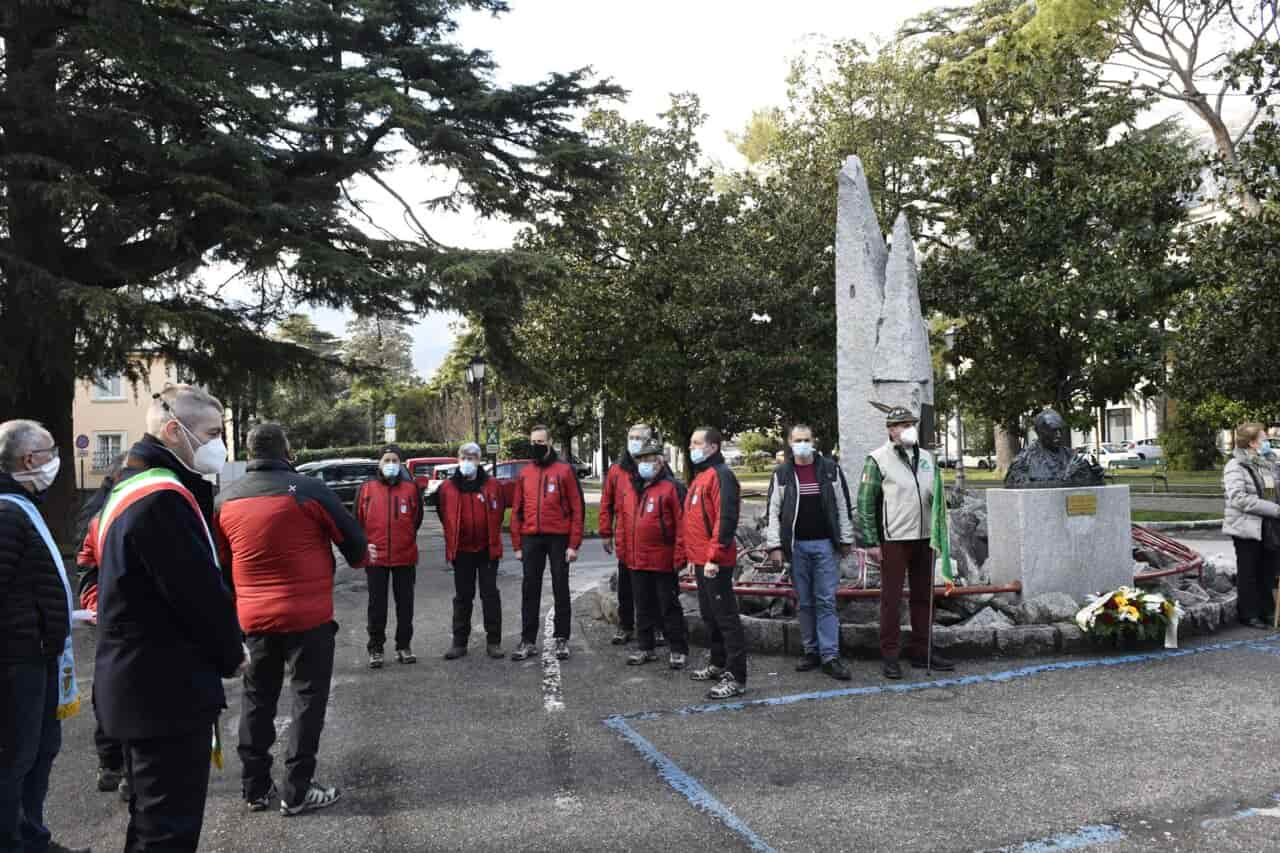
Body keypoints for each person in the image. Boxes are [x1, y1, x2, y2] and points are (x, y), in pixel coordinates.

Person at [94, 385, 245, 853]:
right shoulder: (161, 497)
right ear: (174, 432)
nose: (220, 444)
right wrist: (230, 652)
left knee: (151, 824)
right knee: (168, 831)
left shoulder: (133, 481)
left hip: (144, 685)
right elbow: (196, 593)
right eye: (213, 433)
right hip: (164, 690)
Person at [213, 424, 368, 816]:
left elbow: (220, 565)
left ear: (249, 452)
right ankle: (297, 789)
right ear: (286, 450)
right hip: (307, 617)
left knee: (256, 699)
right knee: (307, 699)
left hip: (254, 618)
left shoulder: (224, 500)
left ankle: (254, 787)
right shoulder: (309, 490)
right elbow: (356, 547)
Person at [0, 420, 89, 853]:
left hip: (36, 653)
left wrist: (64, 616)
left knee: (39, 752)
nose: (57, 459)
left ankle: (32, 836)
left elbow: (25, 585)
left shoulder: (21, 503)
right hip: (17, 662)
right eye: (52, 451)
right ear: (30, 459)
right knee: (15, 760)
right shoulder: (5, 510)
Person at [856, 404, 955, 680]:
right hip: (894, 539)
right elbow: (865, 503)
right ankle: (890, 654)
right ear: (890, 430)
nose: (907, 428)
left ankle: (922, 650)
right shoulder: (876, 459)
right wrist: (871, 542)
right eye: (901, 424)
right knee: (891, 599)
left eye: (910, 423)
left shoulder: (927, 458)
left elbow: (936, 493)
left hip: (925, 538)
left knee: (924, 597)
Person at [765, 424, 855, 681]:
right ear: (790, 443)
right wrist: (775, 546)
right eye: (797, 440)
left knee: (826, 600)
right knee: (804, 602)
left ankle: (830, 655)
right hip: (796, 548)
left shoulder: (829, 469)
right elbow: (773, 511)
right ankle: (810, 651)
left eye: (806, 439)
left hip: (825, 545)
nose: (802, 444)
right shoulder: (782, 473)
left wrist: (846, 538)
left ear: (814, 441)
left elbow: (842, 506)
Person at [74, 457, 129, 802]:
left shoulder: (102, 509)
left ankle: (113, 764)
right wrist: (99, 606)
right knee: (120, 690)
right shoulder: (104, 514)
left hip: (111, 616)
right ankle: (116, 766)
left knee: (111, 687)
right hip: (114, 617)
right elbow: (87, 567)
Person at [510, 425, 584, 662]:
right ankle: (528, 640)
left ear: (550, 443)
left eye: (541, 442)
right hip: (531, 537)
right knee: (529, 589)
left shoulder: (564, 471)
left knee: (561, 588)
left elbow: (577, 509)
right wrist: (517, 545)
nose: (536, 446)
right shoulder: (525, 473)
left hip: (558, 538)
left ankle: (562, 639)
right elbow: (516, 511)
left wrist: (574, 544)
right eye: (533, 441)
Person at [683, 427, 747, 700]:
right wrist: (693, 558)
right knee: (711, 616)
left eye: (697, 443)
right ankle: (718, 663)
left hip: (714, 561)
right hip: (701, 559)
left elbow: (725, 519)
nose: (691, 448)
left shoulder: (721, 476)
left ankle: (736, 676)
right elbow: (695, 521)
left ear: (713, 446)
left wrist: (714, 556)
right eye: (691, 443)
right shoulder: (702, 476)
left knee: (726, 617)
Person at [622, 439, 690, 669]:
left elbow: (683, 524)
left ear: (660, 462)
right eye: (641, 460)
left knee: (668, 605)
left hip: (663, 559)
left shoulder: (672, 488)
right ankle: (645, 647)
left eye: (649, 460)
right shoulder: (632, 488)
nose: (644, 464)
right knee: (642, 605)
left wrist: (680, 556)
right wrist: (623, 549)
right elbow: (623, 522)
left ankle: (678, 648)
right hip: (636, 559)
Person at [355, 445, 423, 669]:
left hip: (405, 556)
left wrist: (405, 538)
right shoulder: (366, 489)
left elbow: (416, 519)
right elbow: (358, 520)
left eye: (395, 460)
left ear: (400, 464)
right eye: (387, 460)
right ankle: (375, 648)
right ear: (379, 464)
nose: (391, 464)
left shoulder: (411, 489)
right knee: (377, 606)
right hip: (376, 557)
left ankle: (404, 646)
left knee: (405, 605)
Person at [436, 443, 506, 660]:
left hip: (486, 550)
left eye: (473, 457)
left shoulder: (492, 485)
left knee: (490, 595)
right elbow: (443, 515)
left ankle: (494, 642)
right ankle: (459, 643)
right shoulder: (447, 488)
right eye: (465, 456)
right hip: (462, 551)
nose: (468, 461)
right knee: (463, 597)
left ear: (479, 460)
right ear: (458, 458)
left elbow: (500, 512)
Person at [599, 423, 657, 646]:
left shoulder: (656, 466)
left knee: (652, 587)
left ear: (648, 441)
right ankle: (625, 626)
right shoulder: (617, 470)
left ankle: (655, 628)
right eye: (630, 436)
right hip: (625, 540)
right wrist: (605, 532)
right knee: (626, 587)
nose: (633, 441)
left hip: (652, 542)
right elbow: (607, 503)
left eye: (638, 437)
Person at [1222, 422, 1280, 628]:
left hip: (1270, 526)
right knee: (1249, 572)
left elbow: (1274, 491)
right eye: (1263, 439)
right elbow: (1239, 498)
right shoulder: (1235, 466)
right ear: (1252, 443)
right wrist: (1275, 510)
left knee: (1268, 571)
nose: (1267, 442)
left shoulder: (1268, 463)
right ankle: (1249, 614)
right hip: (1246, 527)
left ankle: (1268, 612)